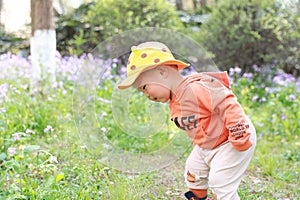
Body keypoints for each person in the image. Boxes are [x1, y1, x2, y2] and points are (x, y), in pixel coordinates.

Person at [117, 41, 257, 200]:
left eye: (144, 87)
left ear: (162, 72)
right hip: (208, 144)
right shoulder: (174, 101)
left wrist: (239, 131)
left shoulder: (196, 88)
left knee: (220, 181)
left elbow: (227, 102)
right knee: (193, 171)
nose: (146, 95)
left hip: (231, 138)